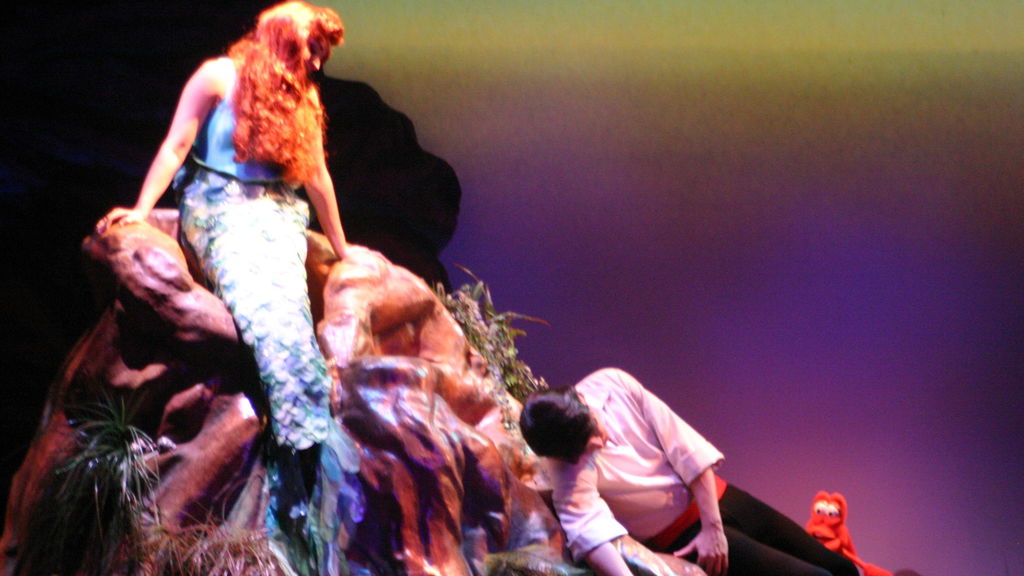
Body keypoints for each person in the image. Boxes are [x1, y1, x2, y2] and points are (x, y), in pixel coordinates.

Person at [96, 3, 360, 574]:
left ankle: (300, 473)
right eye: (309, 49)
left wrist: (344, 249)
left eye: (321, 54)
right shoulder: (218, 76)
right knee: (259, 308)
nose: (316, 62)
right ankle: (292, 456)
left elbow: (317, 178)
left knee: (287, 314)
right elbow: (176, 145)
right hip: (218, 207)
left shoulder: (303, 97)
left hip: (277, 215)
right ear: (279, 39)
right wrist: (140, 209)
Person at [520, 368, 858, 576]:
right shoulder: (566, 468)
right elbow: (590, 533)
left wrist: (714, 528)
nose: (599, 442)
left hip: (716, 498)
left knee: (841, 568)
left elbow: (684, 448)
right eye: (586, 445)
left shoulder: (613, 385)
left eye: (594, 429)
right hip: (683, 539)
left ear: (582, 400)